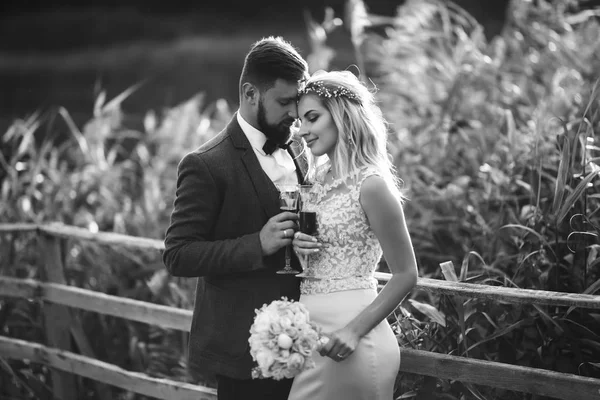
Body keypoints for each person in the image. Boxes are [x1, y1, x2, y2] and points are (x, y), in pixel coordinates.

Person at [162, 36, 310, 400]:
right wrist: (256, 245)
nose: (295, 113)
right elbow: (178, 254)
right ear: (250, 93)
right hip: (245, 351)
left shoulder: (299, 149)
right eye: (284, 102)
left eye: (298, 101)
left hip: (308, 341)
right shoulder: (206, 164)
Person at [289, 70, 419, 400]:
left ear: (342, 116)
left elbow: (406, 274)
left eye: (312, 118)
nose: (302, 130)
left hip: (355, 338)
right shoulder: (315, 182)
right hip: (313, 334)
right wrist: (298, 245)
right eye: (300, 120)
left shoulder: (371, 185)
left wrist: (352, 332)